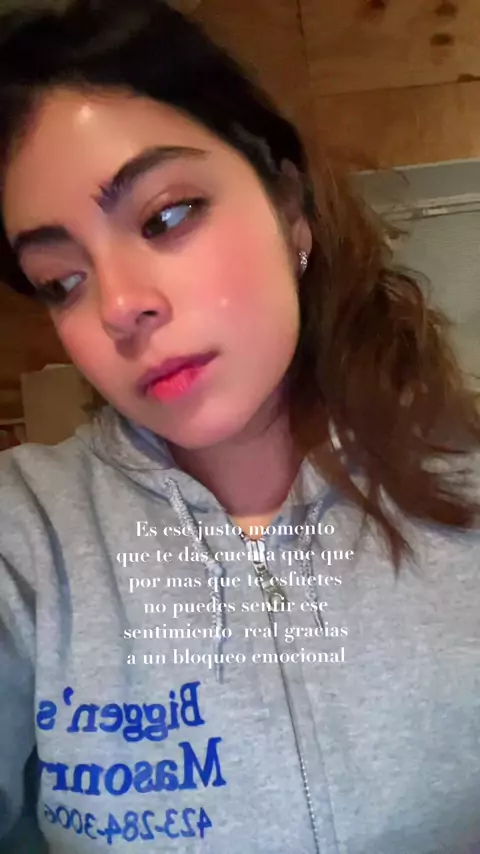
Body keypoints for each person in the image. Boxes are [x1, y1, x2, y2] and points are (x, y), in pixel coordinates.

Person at [0, 1, 479, 852]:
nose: (119, 307)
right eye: (61, 281)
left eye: (166, 216)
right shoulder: (25, 536)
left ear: (290, 209)